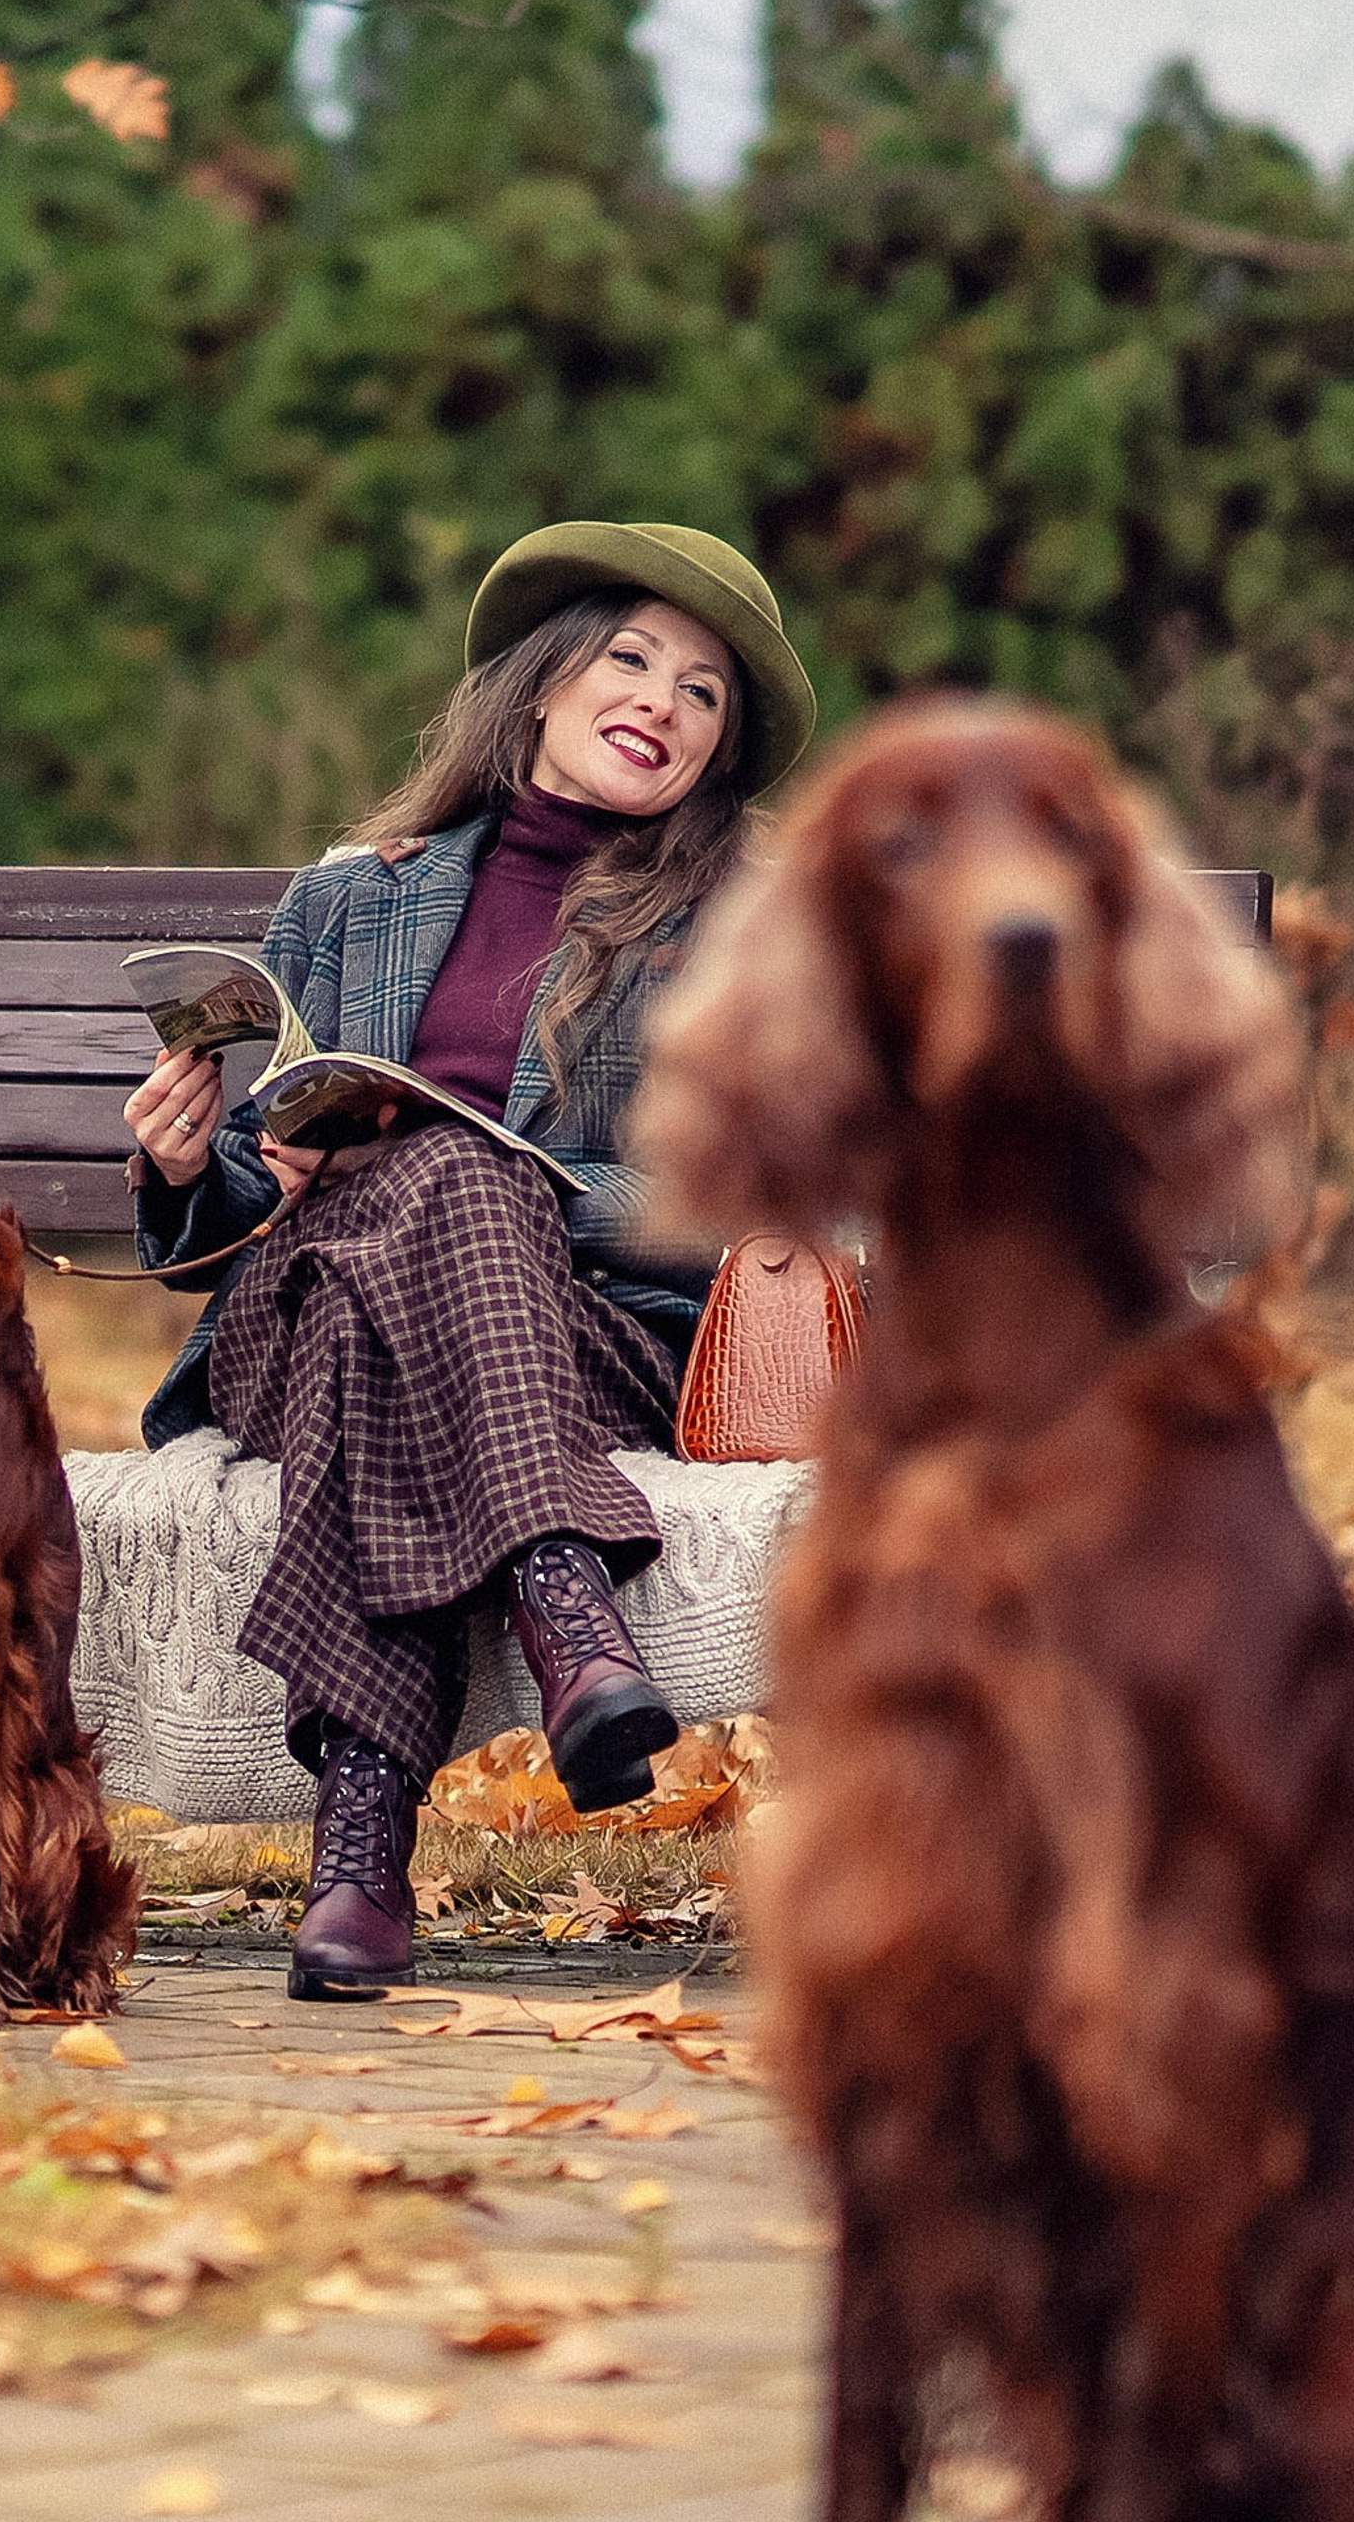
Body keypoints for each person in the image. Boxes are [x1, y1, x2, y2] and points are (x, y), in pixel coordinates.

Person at [122, 522, 817, 1999]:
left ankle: (362, 1851)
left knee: (440, 1192)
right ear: (546, 684)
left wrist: (510, 1176)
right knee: (402, 1221)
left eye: (705, 693)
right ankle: (568, 1616)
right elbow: (255, 1190)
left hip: (595, 1335)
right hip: (296, 1307)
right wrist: (200, 1165)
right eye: (631, 659)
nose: (663, 703)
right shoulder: (352, 896)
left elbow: (760, 1196)